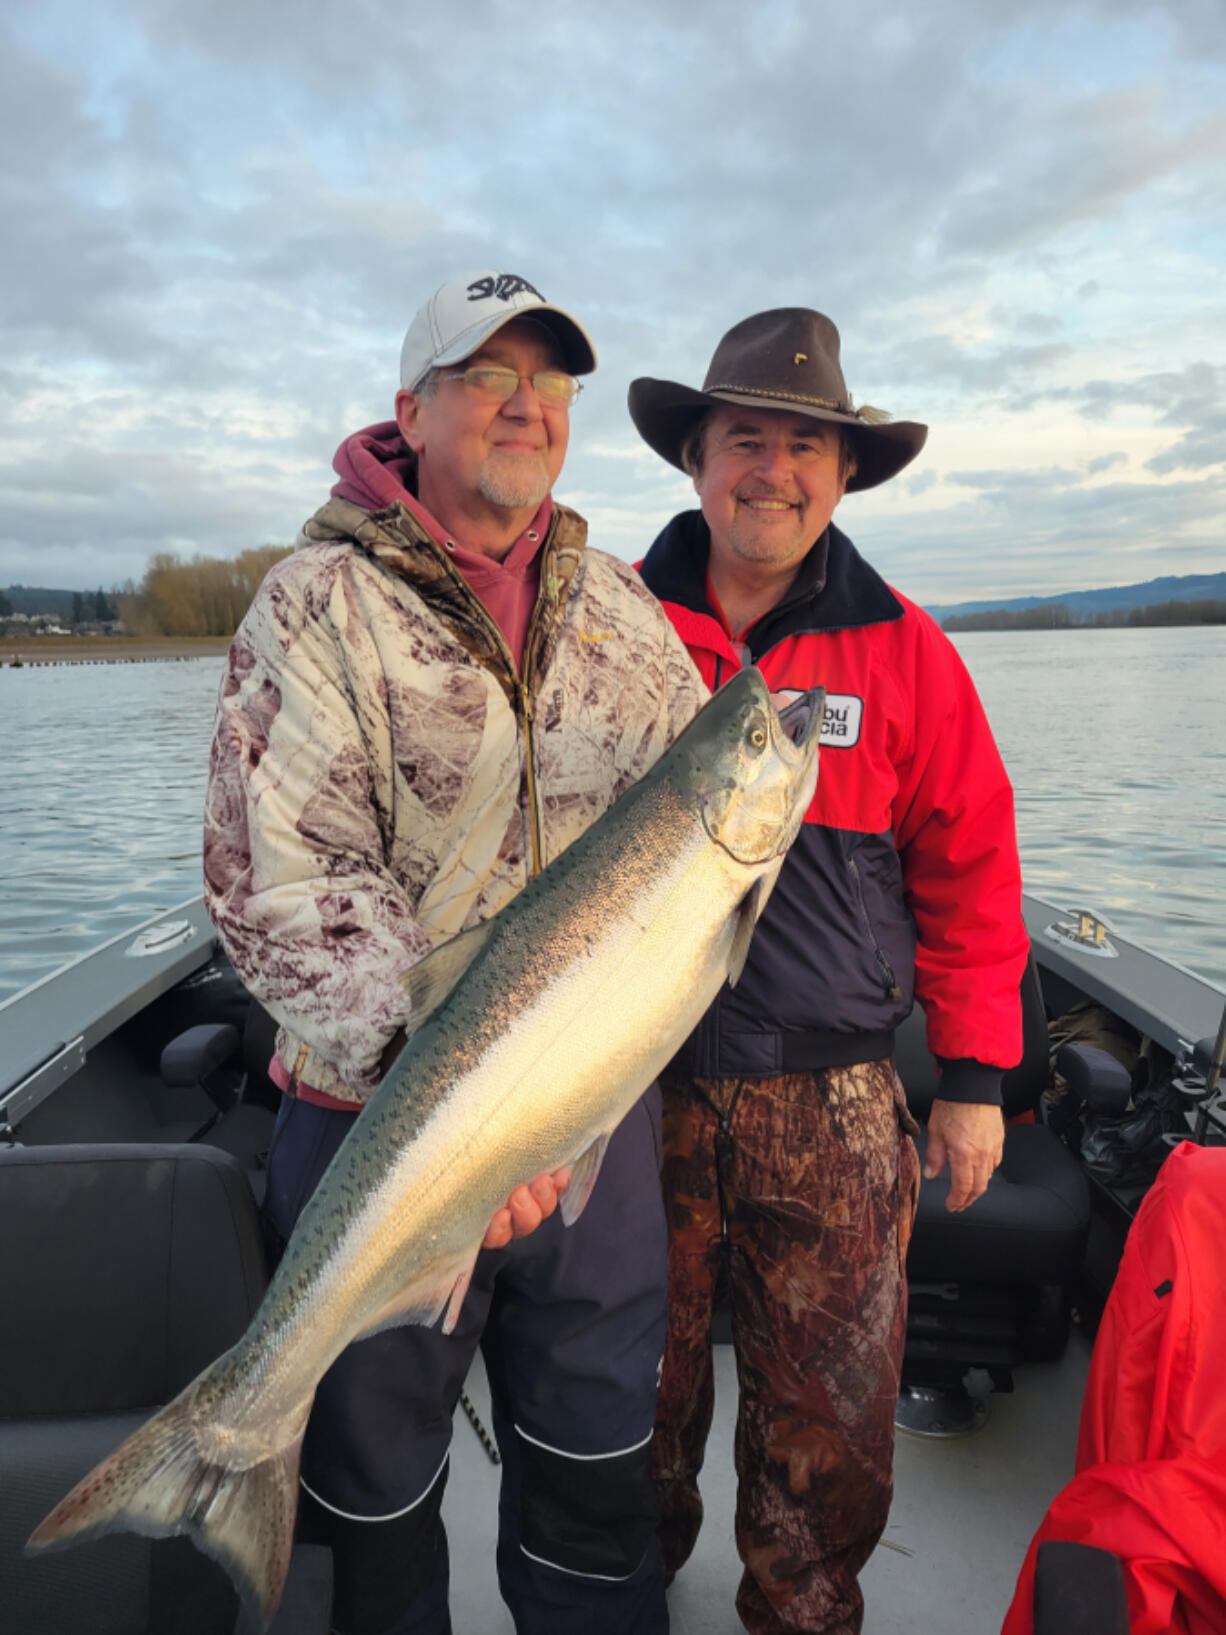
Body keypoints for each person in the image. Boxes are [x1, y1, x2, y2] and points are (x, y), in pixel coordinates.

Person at [203, 270, 705, 1635]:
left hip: (592, 1140)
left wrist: (544, 1113)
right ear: (409, 410)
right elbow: (281, 883)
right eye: (488, 375)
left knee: (599, 1475)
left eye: (549, 383)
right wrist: (464, 1110)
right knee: (372, 1497)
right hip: (375, 1124)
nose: (524, 406)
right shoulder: (314, 607)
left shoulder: (624, 615)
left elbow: (693, 849)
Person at [629, 307, 1031, 1635]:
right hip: (631, 1092)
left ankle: (797, 1613)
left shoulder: (907, 649)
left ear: (844, 472)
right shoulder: (611, 634)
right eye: (745, 437)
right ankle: (627, 1594)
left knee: (827, 1443)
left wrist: (972, 1080)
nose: (774, 471)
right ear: (695, 459)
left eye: (808, 446)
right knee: (630, 1401)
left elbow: (969, 873)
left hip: (837, 1103)